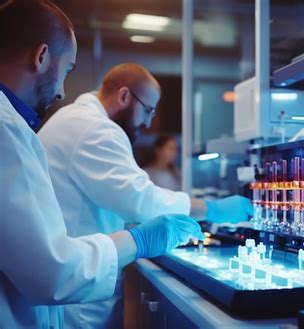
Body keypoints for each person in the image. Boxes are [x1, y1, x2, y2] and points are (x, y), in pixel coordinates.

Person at [0, 1, 204, 328]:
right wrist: (139, 240)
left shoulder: (18, 124)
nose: (62, 93)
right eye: (67, 70)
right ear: (40, 57)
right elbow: (53, 273)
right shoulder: (8, 128)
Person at [38, 63, 253, 328]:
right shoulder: (96, 129)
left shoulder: (75, 119)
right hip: (79, 299)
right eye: (148, 110)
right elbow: (142, 201)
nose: (149, 122)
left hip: (77, 279)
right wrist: (212, 209)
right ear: (125, 96)